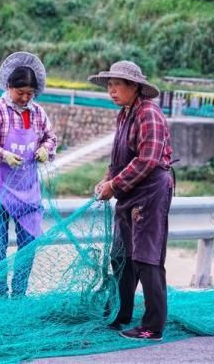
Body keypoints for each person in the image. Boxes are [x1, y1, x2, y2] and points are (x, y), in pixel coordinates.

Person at [88, 60, 173, 341]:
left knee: (146, 258)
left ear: (134, 87)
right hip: (128, 192)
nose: (111, 91)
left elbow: (148, 159)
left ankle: (152, 326)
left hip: (150, 191)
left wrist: (115, 185)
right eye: (109, 86)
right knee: (120, 255)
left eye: (117, 86)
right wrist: (106, 180)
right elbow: (118, 158)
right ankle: (121, 315)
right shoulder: (124, 114)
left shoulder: (149, 114)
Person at [0, 51, 57, 299]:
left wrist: (44, 150)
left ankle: (19, 294)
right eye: (20, 93)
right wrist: (2, 154)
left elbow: (51, 138)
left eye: (30, 93)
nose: (25, 98)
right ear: (9, 87)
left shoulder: (38, 113)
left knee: (28, 243)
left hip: (27, 190)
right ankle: (1, 296)